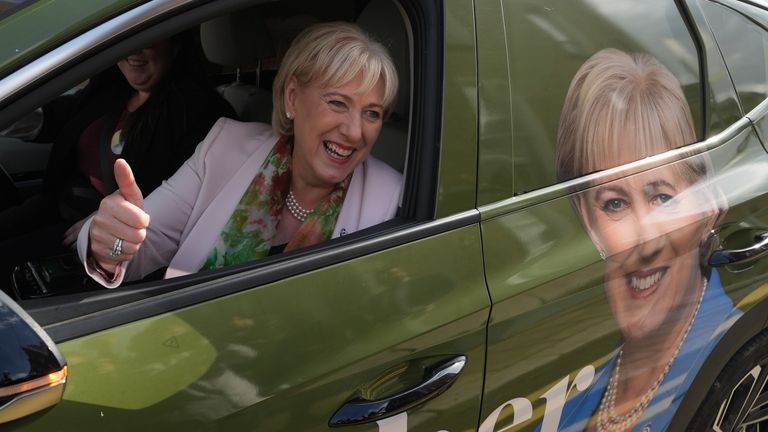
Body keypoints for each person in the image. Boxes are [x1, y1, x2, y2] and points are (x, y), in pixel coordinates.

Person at [77, 22, 401, 287]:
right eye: (338, 103)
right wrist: (109, 243)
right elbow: (141, 244)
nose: (355, 131)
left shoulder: (391, 200)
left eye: (372, 113)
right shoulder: (224, 147)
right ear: (292, 99)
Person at [553, 49, 733, 431]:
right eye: (615, 203)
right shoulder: (566, 399)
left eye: (662, 198)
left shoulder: (737, 361)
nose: (645, 240)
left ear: (702, 203)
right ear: (587, 218)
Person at [0, 30, 234, 258]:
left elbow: (183, 196)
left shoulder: (198, 111)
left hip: (106, 236)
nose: (134, 51)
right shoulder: (111, 88)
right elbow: (61, 116)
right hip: (54, 208)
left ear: (175, 45)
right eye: (128, 38)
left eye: (149, 40)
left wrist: (108, 222)